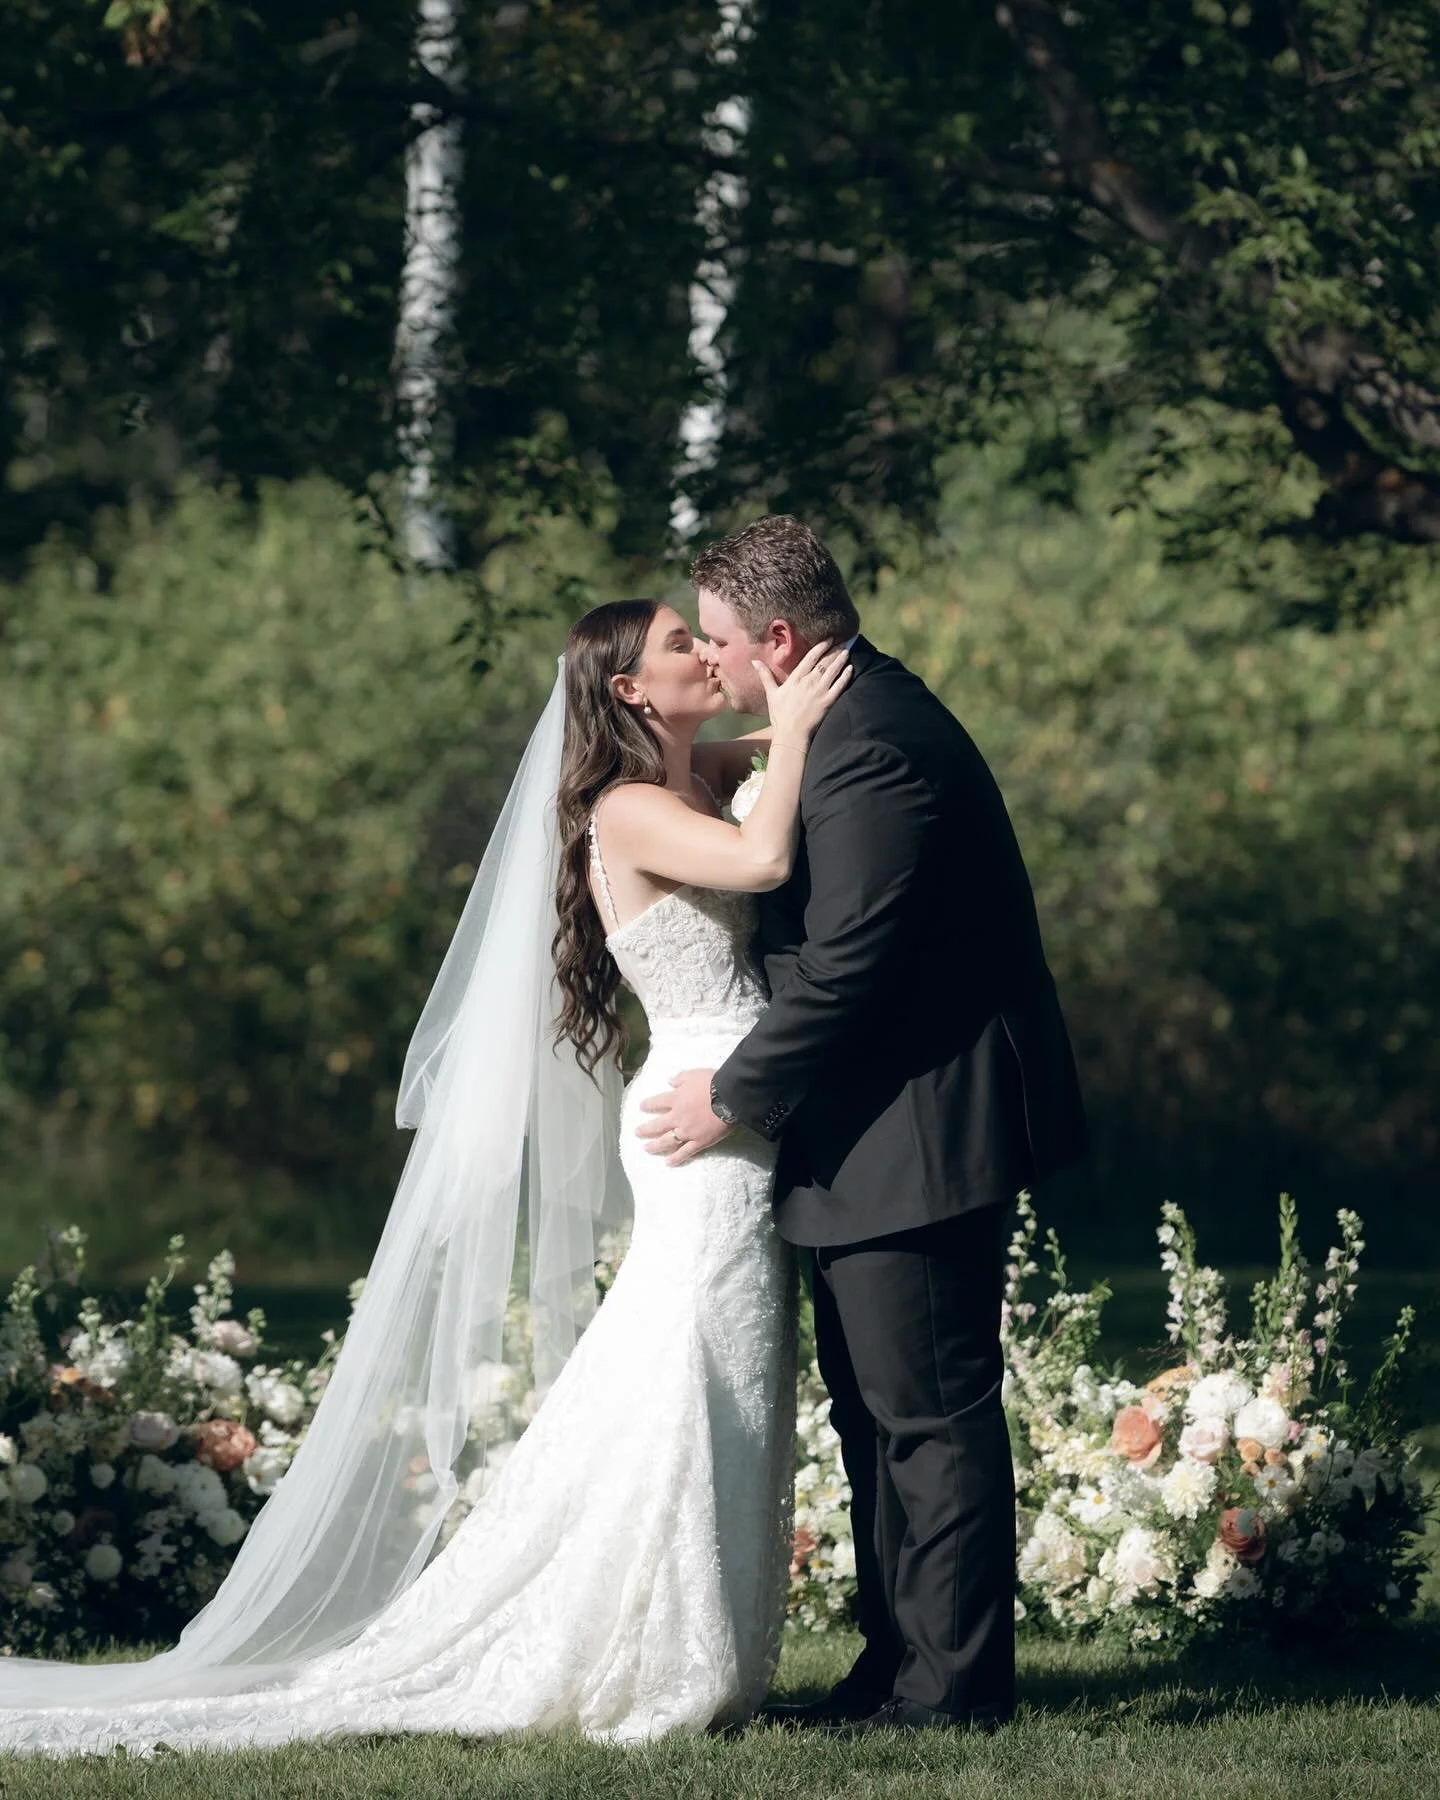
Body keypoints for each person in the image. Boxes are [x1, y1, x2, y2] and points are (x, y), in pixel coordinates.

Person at [0, 599, 850, 1756]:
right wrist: (794, 727)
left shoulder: (686, 772)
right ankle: (656, 1648)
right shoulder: (634, 806)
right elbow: (766, 855)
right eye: (678, 645)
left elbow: (753, 760)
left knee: (720, 1368)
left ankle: (695, 1637)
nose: (708, 654)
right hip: (696, 1119)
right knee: (683, 1372)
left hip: (736, 1108)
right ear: (632, 692)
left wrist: (785, 724)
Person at [639, 515, 1088, 1733]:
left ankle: (952, 1696)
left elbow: (851, 968)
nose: (717, 665)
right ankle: (893, 1668)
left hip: (924, 1130)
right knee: (872, 1412)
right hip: (867, 1130)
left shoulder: (876, 746)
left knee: (929, 1418)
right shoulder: (837, 724)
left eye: (724, 642)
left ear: (777, 640)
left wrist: (730, 1095)